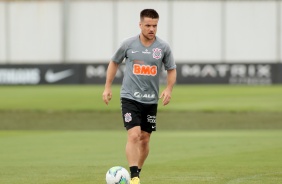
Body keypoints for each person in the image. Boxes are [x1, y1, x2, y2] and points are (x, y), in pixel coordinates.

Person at [102, 9, 176, 184]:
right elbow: (114, 62)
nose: (152, 29)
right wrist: (107, 87)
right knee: (134, 135)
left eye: (155, 25)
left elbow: (171, 69)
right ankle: (134, 176)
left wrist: (169, 89)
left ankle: (138, 172)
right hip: (130, 98)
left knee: (145, 139)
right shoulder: (128, 44)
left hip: (151, 99)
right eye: (148, 25)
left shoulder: (163, 47)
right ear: (140, 25)